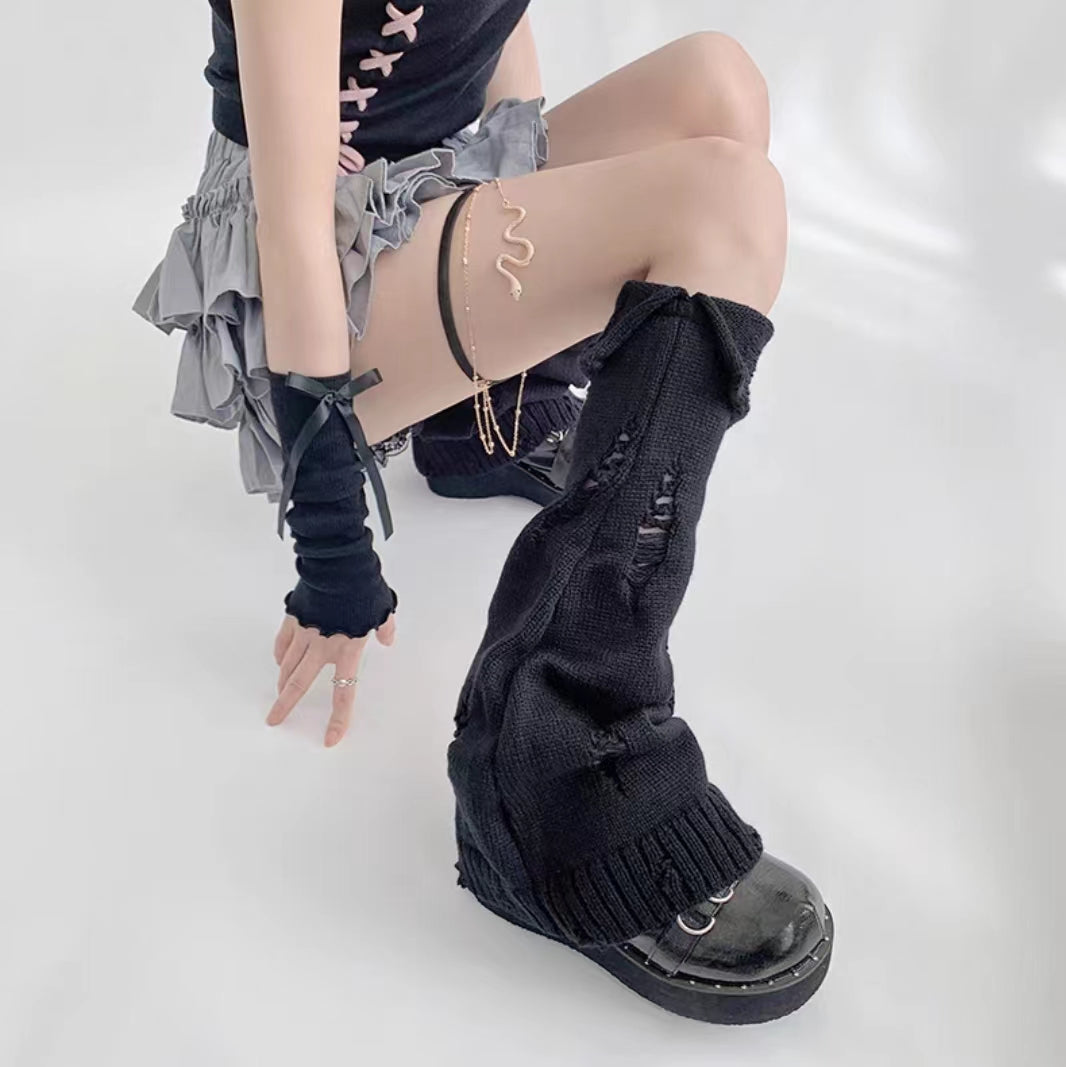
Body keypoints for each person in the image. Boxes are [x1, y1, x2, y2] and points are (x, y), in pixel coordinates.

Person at [134, 0, 834, 1024]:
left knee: (716, 87)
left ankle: (483, 420)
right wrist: (332, 552)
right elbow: (292, 234)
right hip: (314, 285)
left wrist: (529, 269)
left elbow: (491, 36)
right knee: (724, 204)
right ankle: (547, 773)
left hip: (425, 196)